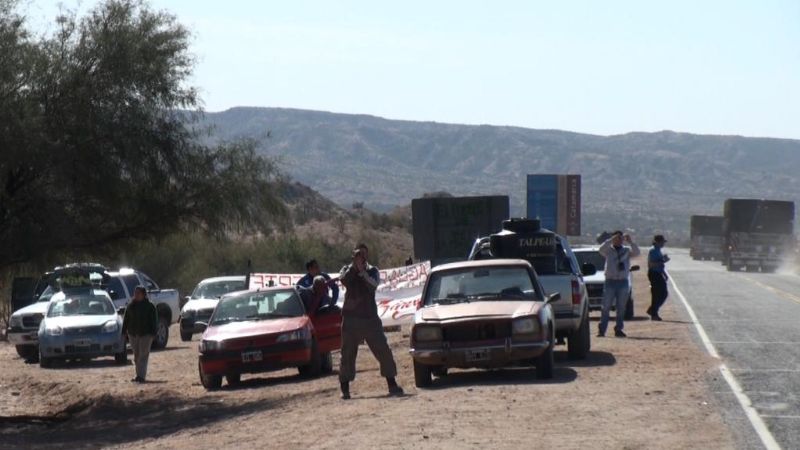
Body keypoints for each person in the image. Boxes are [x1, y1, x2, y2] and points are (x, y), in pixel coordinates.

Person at [338, 243, 403, 399]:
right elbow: (344, 281)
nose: (362, 256)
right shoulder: (346, 269)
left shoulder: (373, 271)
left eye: (364, 254)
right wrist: (354, 268)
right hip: (351, 319)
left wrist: (363, 272)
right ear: (353, 256)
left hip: (370, 319)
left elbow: (373, 286)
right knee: (347, 354)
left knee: (383, 350)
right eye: (359, 254)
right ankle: (345, 389)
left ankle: (392, 384)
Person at [598, 231, 641, 337]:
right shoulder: (608, 250)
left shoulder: (626, 250)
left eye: (620, 238)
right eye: (617, 238)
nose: (619, 240)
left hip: (623, 281)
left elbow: (637, 252)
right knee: (606, 307)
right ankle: (602, 330)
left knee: (621, 307)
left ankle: (618, 329)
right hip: (610, 281)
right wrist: (610, 240)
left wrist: (630, 242)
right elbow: (600, 250)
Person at [122, 286, 159, 383]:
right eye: (135, 293)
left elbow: (154, 320)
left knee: (143, 354)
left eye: (138, 293)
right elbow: (126, 319)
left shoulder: (150, 306)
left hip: (146, 334)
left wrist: (154, 332)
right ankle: (138, 375)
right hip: (133, 334)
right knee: (136, 355)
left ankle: (141, 376)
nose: (136, 295)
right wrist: (123, 331)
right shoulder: (131, 306)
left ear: (144, 294)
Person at [647, 235, 670, 321]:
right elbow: (652, 264)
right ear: (657, 242)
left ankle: (653, 310)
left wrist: (664, 274)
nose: (663, 243)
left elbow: (660, 264)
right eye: (662, 242)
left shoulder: (658, 250)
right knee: (657, 294)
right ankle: (654, 313)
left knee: (663, 294)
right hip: (654, 273)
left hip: (658, 273)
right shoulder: (653, 250)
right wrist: (663, 260)